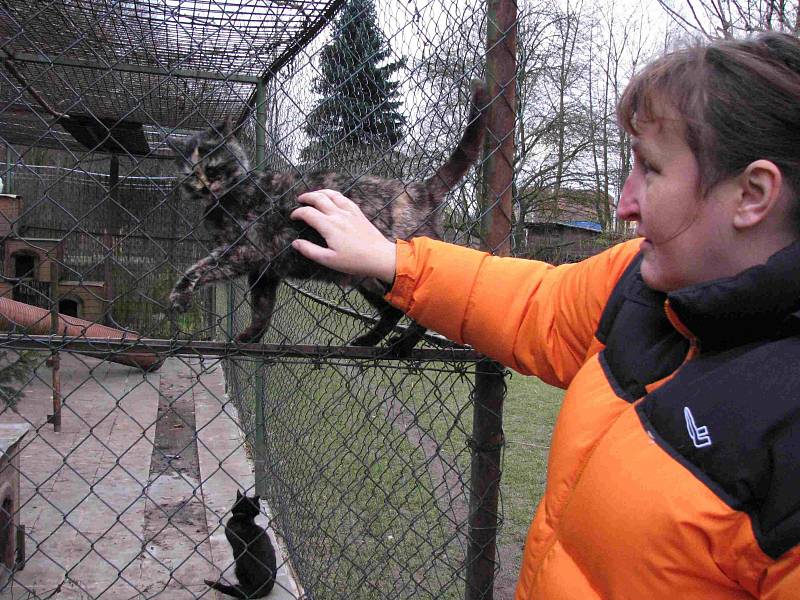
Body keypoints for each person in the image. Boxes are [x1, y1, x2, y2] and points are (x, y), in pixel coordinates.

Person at [290, 31, 800, 599]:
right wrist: (392, 258)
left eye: (650, 169)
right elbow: (540, 306)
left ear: (752, 194)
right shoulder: (645, 283)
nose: (624, 203)